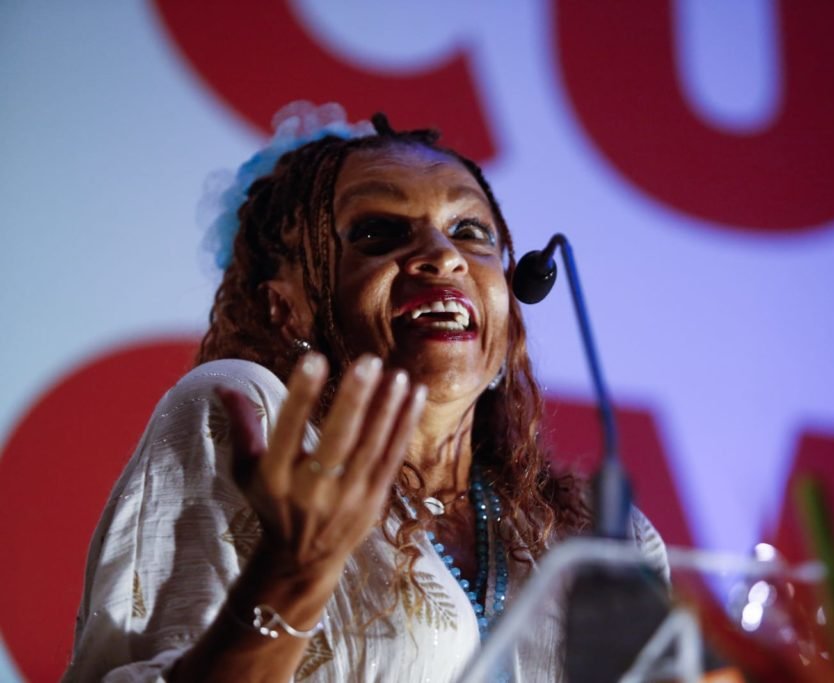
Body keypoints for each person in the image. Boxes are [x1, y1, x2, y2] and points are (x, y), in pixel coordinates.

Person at [62, 102, 669, 682]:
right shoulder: (252, 418)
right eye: (378, 233)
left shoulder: (598, 536)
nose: (442, 257)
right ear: (286, 306)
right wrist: (292, 577)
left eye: (469, 231)